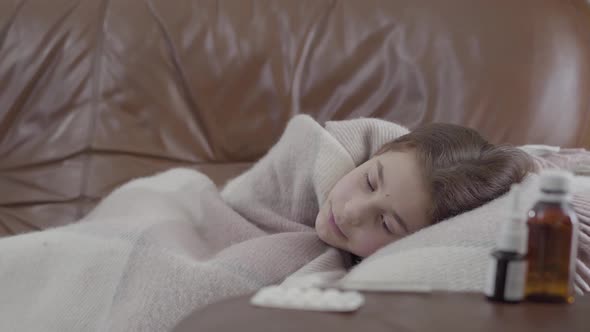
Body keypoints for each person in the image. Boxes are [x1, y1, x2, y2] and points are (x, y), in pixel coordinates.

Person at [314, 123, 534, 258]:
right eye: (370, 182)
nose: (352, 211)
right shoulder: (322, 147)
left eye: (386, 223)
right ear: (382, 150)